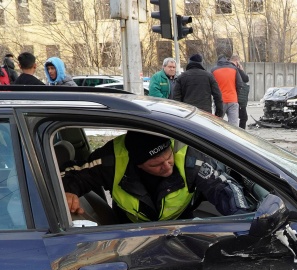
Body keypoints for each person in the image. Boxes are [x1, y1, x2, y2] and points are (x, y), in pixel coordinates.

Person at [61, 131, 250, 223]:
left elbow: (223, 186)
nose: (167, 166)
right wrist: (69, 189)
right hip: (128, 231)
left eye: (168, 157)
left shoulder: (190, 157)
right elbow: (73, 173)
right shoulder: (113, 159)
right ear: (138, 164)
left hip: (180, 226)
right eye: (156, 165)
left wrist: (243, 219)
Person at [211, 55, 244, 127]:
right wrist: (235, 94)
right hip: (233, 100)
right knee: (234, 126)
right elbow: (240, 84)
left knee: (217, 124)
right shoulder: (234, 69)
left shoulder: (214, 70)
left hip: (220, 101)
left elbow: (211, 86)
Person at [229, 54, 250, 129]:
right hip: (237, 98)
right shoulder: (236, 69)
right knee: (243, 118)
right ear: (237, 61)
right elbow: (246, 79)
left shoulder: (227, 67)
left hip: (226, 96)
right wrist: (241, 69)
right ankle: (241, 135)